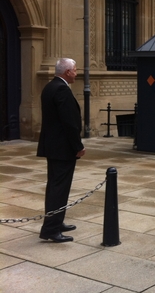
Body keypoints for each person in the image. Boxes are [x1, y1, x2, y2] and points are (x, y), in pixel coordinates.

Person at [38, 58, 85, 243]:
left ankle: (56, 221)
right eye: (74, 70)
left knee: (55, 186)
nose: (76, 72)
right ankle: (51, 229)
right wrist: (78, 146)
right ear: (67, 72)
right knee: (59, 188)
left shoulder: (50, 86)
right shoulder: (61, 90)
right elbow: (69, 122)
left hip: (53, 147)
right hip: (62, 148)